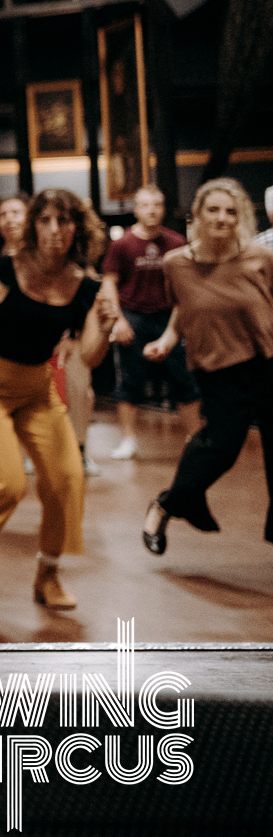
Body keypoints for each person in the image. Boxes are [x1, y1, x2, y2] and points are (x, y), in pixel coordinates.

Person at [0, 190, 116, 609]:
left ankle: (48, 575)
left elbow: (88, 356)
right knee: (6, 485)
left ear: (77, 229)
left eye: (64, 221)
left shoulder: (88, 288)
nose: (55, 231)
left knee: (67, 479)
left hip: (36, 390)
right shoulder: (1, 267)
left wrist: (105, 323)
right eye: (45, 220)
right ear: (32, 226)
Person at [139, 178, 273, 556]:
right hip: (217, 366)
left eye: (231, 211)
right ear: (197, 215)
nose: (222, 218)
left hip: (267, 362)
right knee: (221, 447)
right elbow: (183, 306)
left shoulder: (260, 258)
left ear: (241, 217)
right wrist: (166, 340)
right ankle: (166, 504)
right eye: (213, 210)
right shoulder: (175, 264)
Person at [102, 185, 199, 462]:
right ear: (136, 210)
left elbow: (187, 287)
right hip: (133, 315)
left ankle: (194, 438)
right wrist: (118, 321)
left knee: (185, 379)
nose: (152, 210)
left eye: (157, 204)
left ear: (163, 208)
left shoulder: (177, 241)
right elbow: (109, 283)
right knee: (129, 382)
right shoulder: (121, 244)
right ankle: (128, 440)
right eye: (145, 205)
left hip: (169, 316)